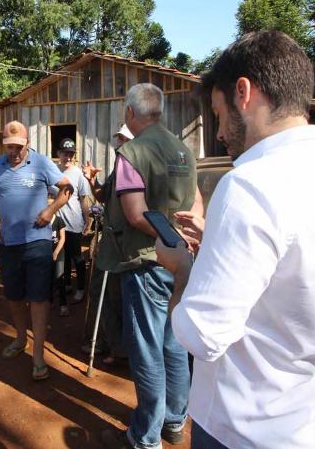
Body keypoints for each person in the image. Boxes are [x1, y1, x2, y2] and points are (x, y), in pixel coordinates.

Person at [157, 31, 315, 449]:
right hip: (313, 425)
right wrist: (219, 244)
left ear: (244, 92)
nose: (221, 132)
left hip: (241, 428)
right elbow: (292, 273)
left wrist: (183, 269)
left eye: (219, 113)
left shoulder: (248, 185)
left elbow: (203, 336)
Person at [99, 83, 204, 449]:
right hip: (182, 263)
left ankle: (146, 435)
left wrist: (168, 235)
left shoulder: (132, 151)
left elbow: (134, 213)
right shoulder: (183, 150)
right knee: (175, 345)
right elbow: (198, 199)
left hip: (147, 261)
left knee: (147, 349)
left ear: (130, 113)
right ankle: (175, 421)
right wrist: (186, 236)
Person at [0, 121, 73, 381]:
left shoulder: (42, 162)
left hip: (38, 240)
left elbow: (66, 189)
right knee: (13, 296)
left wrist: (50, 210)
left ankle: (37, 354)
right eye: (9, 146)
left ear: (28, 144)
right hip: (8, 242)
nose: (13, 151)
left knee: (37, 297)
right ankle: (21, 338)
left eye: (18, 147)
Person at [81, 123, 134, 364]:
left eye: (124, 139)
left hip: (121, 241)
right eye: (119, 139)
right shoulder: (118, 167)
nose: (119, 143)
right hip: (111, 238)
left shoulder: (133, 166)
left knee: (112, 293)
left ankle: (119, 348)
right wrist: (93, 181)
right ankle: (109, 343)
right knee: (102, 290)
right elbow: (104, 196)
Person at [53, 138, 91, 317]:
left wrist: (87, 218)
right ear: (58, 154)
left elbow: (83, 199)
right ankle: (66, 283)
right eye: (64, 153)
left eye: (70, 154)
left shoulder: (78, 174)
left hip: (74, 221)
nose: (67, 157)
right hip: (56, 223)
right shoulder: (53, 171)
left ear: (73, 156)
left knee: (76, 255)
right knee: (62, 255)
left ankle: (81, 287)